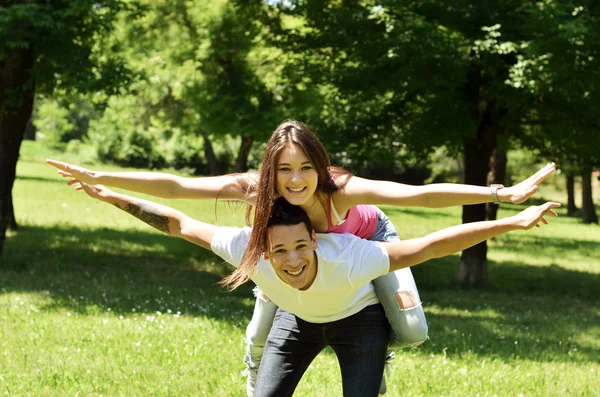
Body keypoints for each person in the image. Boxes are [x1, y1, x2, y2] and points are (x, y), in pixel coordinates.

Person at [46, 120, 556, 395]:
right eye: (285, 170)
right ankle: (258, 363)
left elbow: (421, 197)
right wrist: (101, 178)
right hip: (294, 261)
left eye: (305, 168)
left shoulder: (343, 192)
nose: (295, 181)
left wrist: (501, 195)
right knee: (266, 314)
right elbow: (177, 190)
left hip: (369, 244)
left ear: (319, 166)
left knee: (412, 329)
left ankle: (376, 353)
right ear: (271, 169)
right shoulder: (256, 192)